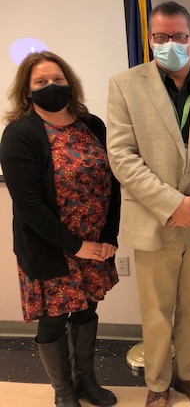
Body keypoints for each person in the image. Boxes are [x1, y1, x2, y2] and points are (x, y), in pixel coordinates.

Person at [106, 1, 190, 407]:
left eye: (179, 37)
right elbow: (122, 155)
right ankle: (158, 383)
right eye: (161, 37)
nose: (170, 45)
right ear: (150, 40)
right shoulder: (125, 85)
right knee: (157, 310)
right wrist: (171, 204)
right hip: (153, 220)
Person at [0, 51, 120, 407]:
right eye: (40, 82)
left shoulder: (92, 125)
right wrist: (75, 245)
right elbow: (29, 206)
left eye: (57, 80)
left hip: (95, 245)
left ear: (70, 84)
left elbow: (112, 185)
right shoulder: (20, 134)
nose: (51, 87)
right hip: (50, 248)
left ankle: (86, 382)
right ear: (26, 91)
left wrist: (108, 239)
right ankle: (63, 391)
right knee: (54, 322)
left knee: (87, 311)